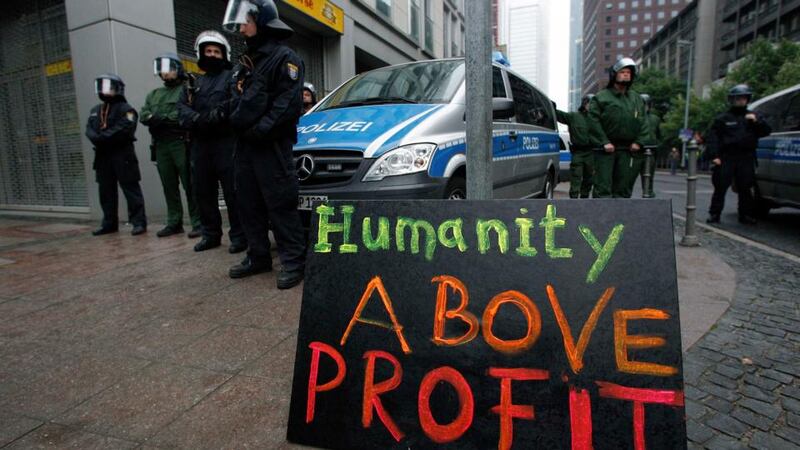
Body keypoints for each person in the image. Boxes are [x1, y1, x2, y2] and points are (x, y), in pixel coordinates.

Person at [222, 0, 307, 289]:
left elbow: (287, 104)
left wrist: (258, 130)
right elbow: (234, 102)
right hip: (245, 147)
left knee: (280, 203)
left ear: (263, 20)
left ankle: (294, 261)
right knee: (248, 203)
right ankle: (258, 256)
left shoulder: (285, 58)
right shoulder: (246, 63)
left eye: (246, 20)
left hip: (271, 146)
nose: (241, 26)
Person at [177, 31, 247, 254]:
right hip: (200, 145)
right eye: (208, 51)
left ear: (224, 54)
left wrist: (216, 116)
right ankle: (210, 235)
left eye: (216, 51)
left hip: (226, 143)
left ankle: (239, 236)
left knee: (233, 193)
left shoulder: (231, 77)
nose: (212, 55)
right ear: (200, 53)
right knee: (203, 192)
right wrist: (198, 119)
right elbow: (181, 110)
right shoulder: (192, 83)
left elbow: (233, 103)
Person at [141, 53, 202, 238]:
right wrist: (154, 118)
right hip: (161, 145)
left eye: (169, 69)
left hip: (180, 142)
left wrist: (163, 118)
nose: (166, 74)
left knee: (189, 184)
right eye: (163, 71)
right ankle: (174, 222)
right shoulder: (154, 94)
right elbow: (144, 114)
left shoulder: (186, 89)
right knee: (168, 185)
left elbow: (185, 113)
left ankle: (198, 222)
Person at [86, 74, 147, 236]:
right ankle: (109, 223)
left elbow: (125, 128)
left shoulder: (126, 110)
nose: (104, 90)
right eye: (102, 86)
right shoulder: (95, 110)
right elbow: (89, 129)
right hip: (102, 156)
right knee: (105, 190)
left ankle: (138, 222)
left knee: (130, 189)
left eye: (108, 87)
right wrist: (96, 138)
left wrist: (102, 137)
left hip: (122, 155)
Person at [705, 84, 771, 225]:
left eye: (744, 98)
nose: (741, 101)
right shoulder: (722, 118)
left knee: (745, 187)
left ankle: (745, 215)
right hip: (726, 157)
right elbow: (712, 138)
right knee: (720, 187)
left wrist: (756, 122)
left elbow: (766, 131)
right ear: (732, 100)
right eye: (738, 98)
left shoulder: (754, 116)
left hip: (746, 157)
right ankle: (714, 214)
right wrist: (714, 156)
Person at [588, 57, 650, 198]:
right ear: (614, 74)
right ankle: (600, 219)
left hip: (629, 150)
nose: (626, 74)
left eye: (629, 72)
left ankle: (620, 218)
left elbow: (644, 123)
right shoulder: (601, 97)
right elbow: (593, 122)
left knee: (623, 189)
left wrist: (639, 142)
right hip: (605, 150)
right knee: (602, 188)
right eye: (622, 72)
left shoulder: (636, 99)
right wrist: (604, 142)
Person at [556, 94, 596, 198]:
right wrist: (549, 105)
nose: (591, 106)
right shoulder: (574, 117)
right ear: (584, 104)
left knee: (589, 178)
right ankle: (573, 200)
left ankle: (584, 198)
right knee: (576, 176)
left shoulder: (597, 119)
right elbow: (558, 114)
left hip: (591, 152)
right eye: (589, 103)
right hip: (578, 152)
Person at [638, 93, 661, 198]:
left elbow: (659, 134)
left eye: (646, 104)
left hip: (651, 150)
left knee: (649, 175)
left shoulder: (655, 119)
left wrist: (656, 144)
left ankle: (648, 193)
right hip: (636, 151)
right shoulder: (634, 117)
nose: (644, 107)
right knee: (627, 177)